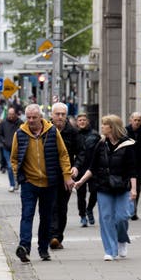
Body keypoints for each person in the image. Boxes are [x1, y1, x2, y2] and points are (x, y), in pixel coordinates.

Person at [11, 104, 75, 263]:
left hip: (49, 182)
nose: (31, 120)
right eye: (29, 118)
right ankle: (24, 247)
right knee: (27, 215)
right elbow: (14, 159)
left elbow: (63, 154)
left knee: (46, 217)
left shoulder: (52, 132)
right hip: (29, 183)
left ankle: (43, 249)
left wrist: (67, 175)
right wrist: (19, 176)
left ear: (41, 117)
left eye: (34, 117)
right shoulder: (20, 134)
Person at [74, 115, 137, 261]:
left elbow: (132, 170)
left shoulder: (127, 145)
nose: (102, 127)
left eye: (104, 125)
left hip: (122, 186)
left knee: (122, 217)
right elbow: (92, 167)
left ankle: (121, 239)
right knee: (106, 217)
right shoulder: (101, 144)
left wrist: (133, 189)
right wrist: (81, 181)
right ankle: (110, 250)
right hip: (103, 186)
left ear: (112, 127)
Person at [49, 102, 83, 250]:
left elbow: (81, 152)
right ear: (52, 115)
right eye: (58, 114)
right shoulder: (46, 130)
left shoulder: (73, 132)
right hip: (48, 174)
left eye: (63, 114)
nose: (60, 117)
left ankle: (57, 237)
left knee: (61, 207)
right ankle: (51, 236)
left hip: (66, 176)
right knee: (50, 206)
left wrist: (76, 166)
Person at [76, 113, 101, 227]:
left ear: (88, 122)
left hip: (93, 168)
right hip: (80, 168)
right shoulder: (75, 135)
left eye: (84, 120)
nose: (82, 122)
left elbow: (101, 151)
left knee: (94, 191)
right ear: (77, 122)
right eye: (80, 120)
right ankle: (82, 216)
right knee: (81, 194)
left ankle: (89, 209)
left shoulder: (95, 135)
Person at [0, 107, 23, 192]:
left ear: (15, 114)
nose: (11, 116)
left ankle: (17, 181)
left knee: (19, 167)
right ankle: (12, 184)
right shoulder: (3, 123)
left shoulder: (20, 123)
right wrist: (4, 141)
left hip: (18, 149)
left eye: (12, 114)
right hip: (7, 148)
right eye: (9, 114)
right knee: (10, 166)